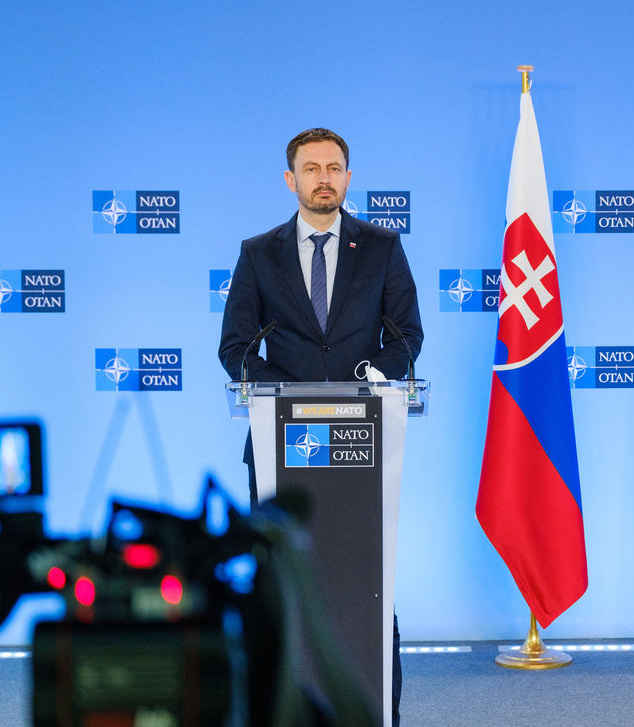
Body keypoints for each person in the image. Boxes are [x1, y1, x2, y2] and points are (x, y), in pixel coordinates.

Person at [218, 127, 421, 724]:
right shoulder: (258, 254)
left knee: (367, 587)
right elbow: (234, 346)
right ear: (291, 180)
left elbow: (408, 338)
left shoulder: (382, 248)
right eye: (312, 169)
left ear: (349, 178)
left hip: (362, 443)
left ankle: (379, 711)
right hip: (282, 442)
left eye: (334, 168)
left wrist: (366, 377)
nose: (324, 178)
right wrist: (279, 390)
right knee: (284, 588)